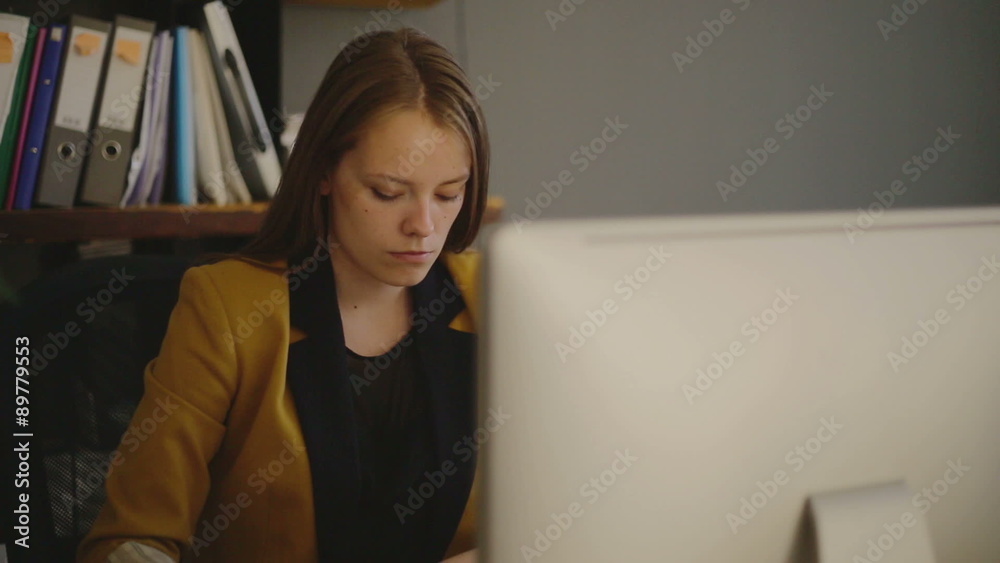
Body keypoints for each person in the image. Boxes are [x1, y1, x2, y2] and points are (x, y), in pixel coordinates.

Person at [76, 27, 488, 563]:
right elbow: (132, 537)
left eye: (449, 194)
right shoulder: (228, 307)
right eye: (388, 192)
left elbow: (566, 505)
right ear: (323, 172)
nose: (424, 226)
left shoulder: (498, 300)